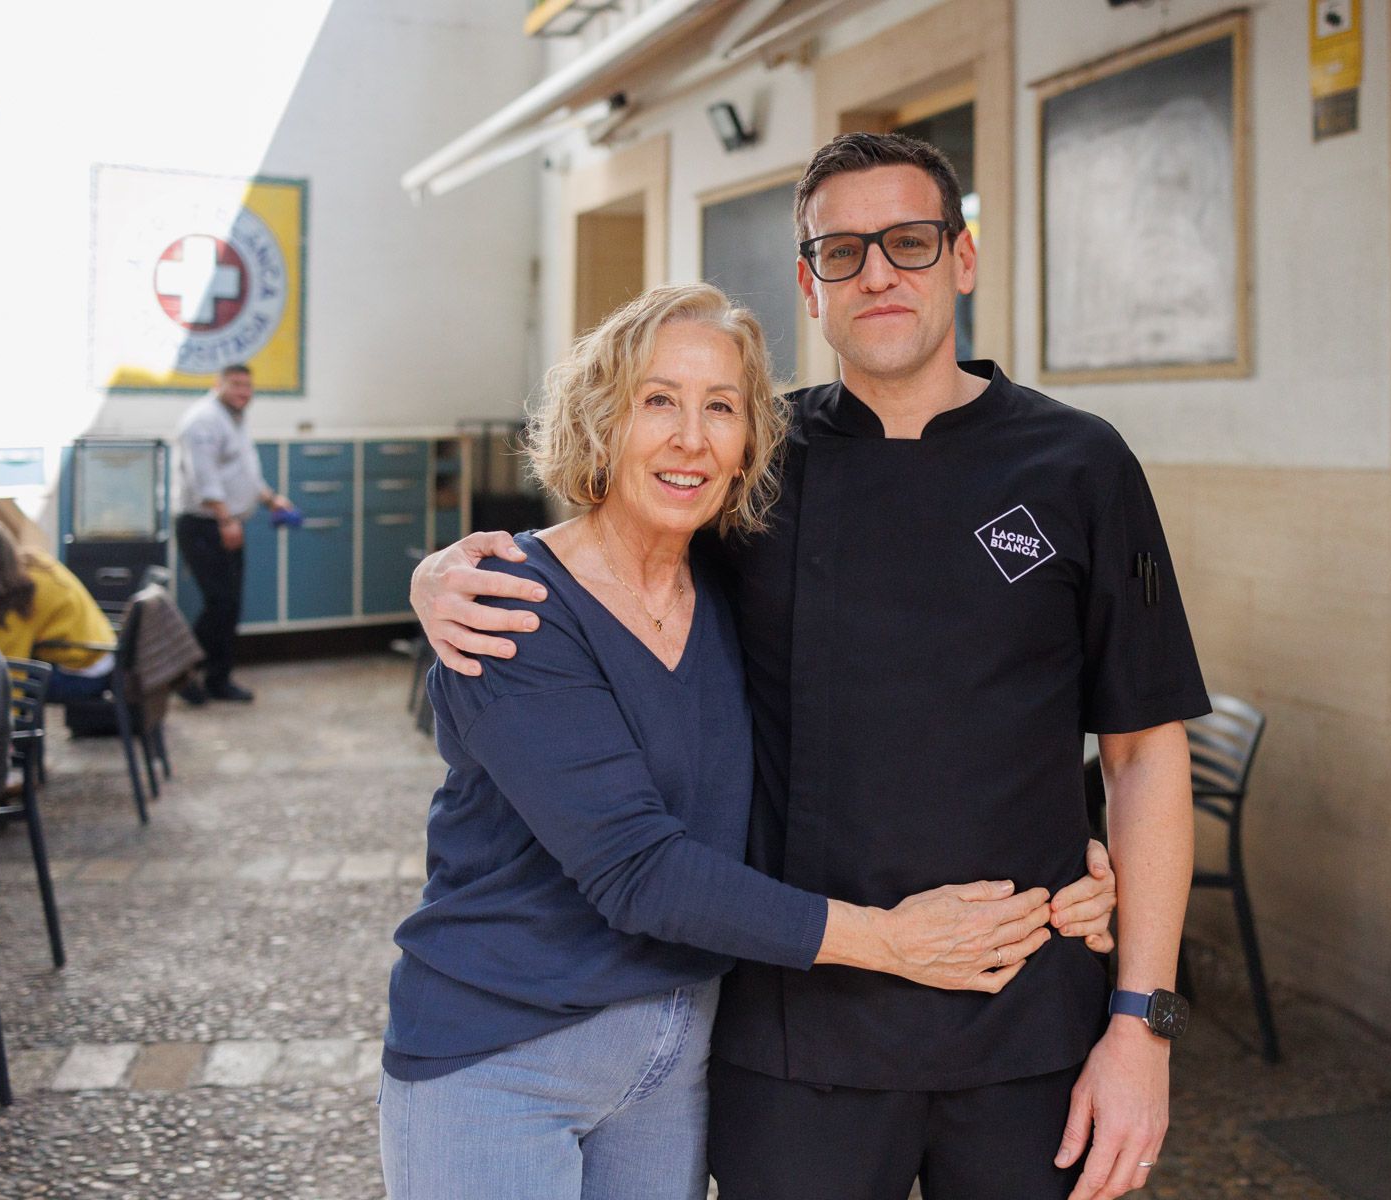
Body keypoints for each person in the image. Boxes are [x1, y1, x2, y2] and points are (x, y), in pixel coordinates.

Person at [412, 133, 1207, 1200]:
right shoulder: (750, 465)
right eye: (843, 250)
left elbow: (1146, 755)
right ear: (808, 282)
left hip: (1032, 1024)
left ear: (962, 259)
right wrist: (442, 574)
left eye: (911, 242)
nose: (878, 271)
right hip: (797, 1038)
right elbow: (614, 562)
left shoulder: (1082, 463)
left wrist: (1140, 1022)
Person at [173, 363, 293, 704]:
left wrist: (270, 499)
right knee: (220, 603)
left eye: (247, 386)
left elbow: (245, 470)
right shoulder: (203, 421)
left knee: (229, 605)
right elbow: (203, 478)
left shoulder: (235, 418)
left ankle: (217, 678)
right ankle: (179, 672)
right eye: (236, 384)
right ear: (218, 384)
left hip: (227, 523)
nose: (243, 392)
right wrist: (225, 520)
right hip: (204, 525)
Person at [0, 517, 117, 703]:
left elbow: (9, 670)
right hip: (100, 656)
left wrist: (10, 724)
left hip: (83, 675)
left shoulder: (18, 596)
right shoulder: (34, 563)